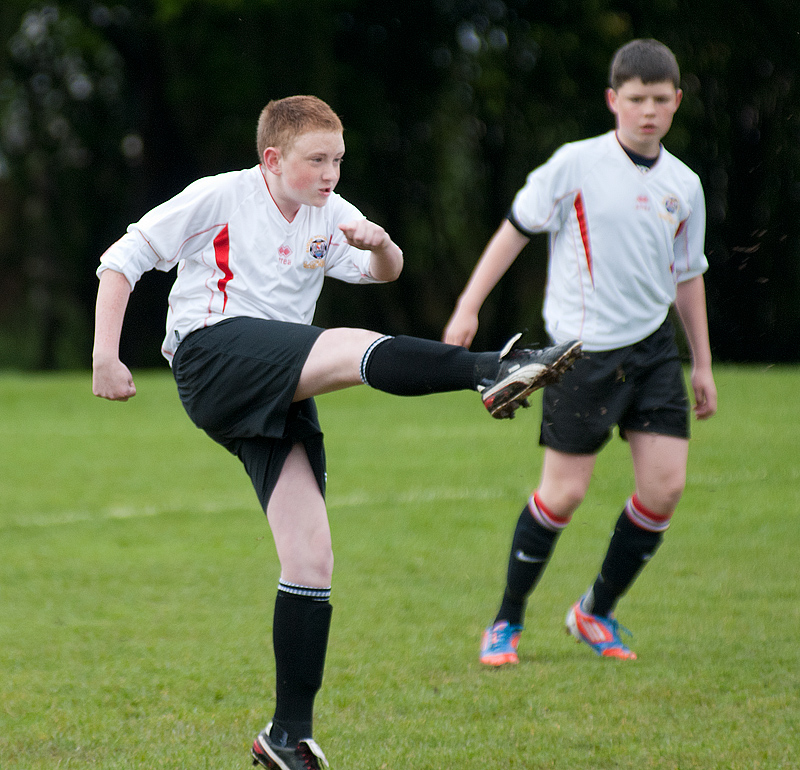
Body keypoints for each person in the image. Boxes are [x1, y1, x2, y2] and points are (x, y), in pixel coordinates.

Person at [92, 95, 581, 769]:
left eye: (338, 161)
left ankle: (287, 736)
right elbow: (123, 258)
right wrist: (105, 354)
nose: (331, 174)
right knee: (350, 346)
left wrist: (381, 245)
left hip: (274, 379)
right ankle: (491, 369)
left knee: (311, 558)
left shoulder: (331, 211)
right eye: (316, 160)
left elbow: (386, 271)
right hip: (213, 355)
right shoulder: (220, 197)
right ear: (274, 159)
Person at [444, 39, 717, 665]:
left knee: (664, 490)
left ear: (676, 102)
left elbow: (688, 273)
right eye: (635, 98)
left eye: (659, 99)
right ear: (613, 100)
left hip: (653, 353)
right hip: (580, 355)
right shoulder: (575, 164)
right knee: (563, 494)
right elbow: (515, 228)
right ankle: (505, 622)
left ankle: (594, 612)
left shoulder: (686, 185)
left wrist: (700, 361)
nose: (647, 110)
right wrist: (468, 305)